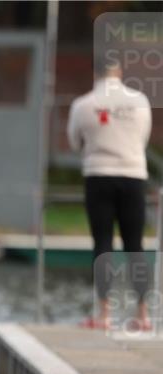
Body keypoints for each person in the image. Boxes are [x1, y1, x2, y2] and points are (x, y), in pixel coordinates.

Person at [67, 61, 153, 331]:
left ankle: (103, 315)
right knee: (135, 246)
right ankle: (143, 315)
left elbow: (73, 142)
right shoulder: (139, 101)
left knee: (102, 242)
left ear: (95, 73)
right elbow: (144, 138)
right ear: (119, 72)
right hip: (133, 176)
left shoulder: (83, 104)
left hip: (98, 176)